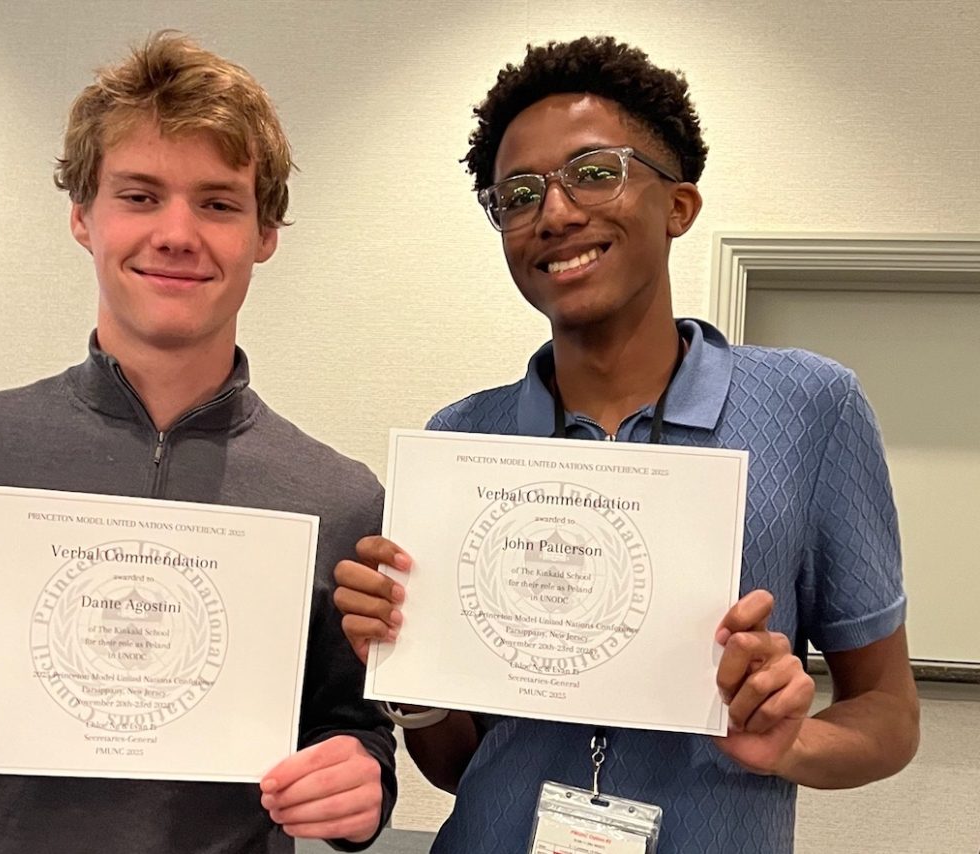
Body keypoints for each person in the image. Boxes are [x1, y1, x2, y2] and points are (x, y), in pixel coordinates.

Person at [0, 31, 395, 854]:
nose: (178, 233)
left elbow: (350, 727)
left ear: (266, 234)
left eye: (219, 203)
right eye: (141, 195)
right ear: (84, 217)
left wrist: (360, 784)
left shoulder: (339, 498)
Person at [333, 37, 918, 853]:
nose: (557, 213)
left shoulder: (811, 408)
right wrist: (405, 670)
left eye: (595, 172)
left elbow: (889, 717)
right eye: (519, 194)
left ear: (678, 206)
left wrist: (793, 744)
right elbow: (458, 766)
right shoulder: (463, 443)